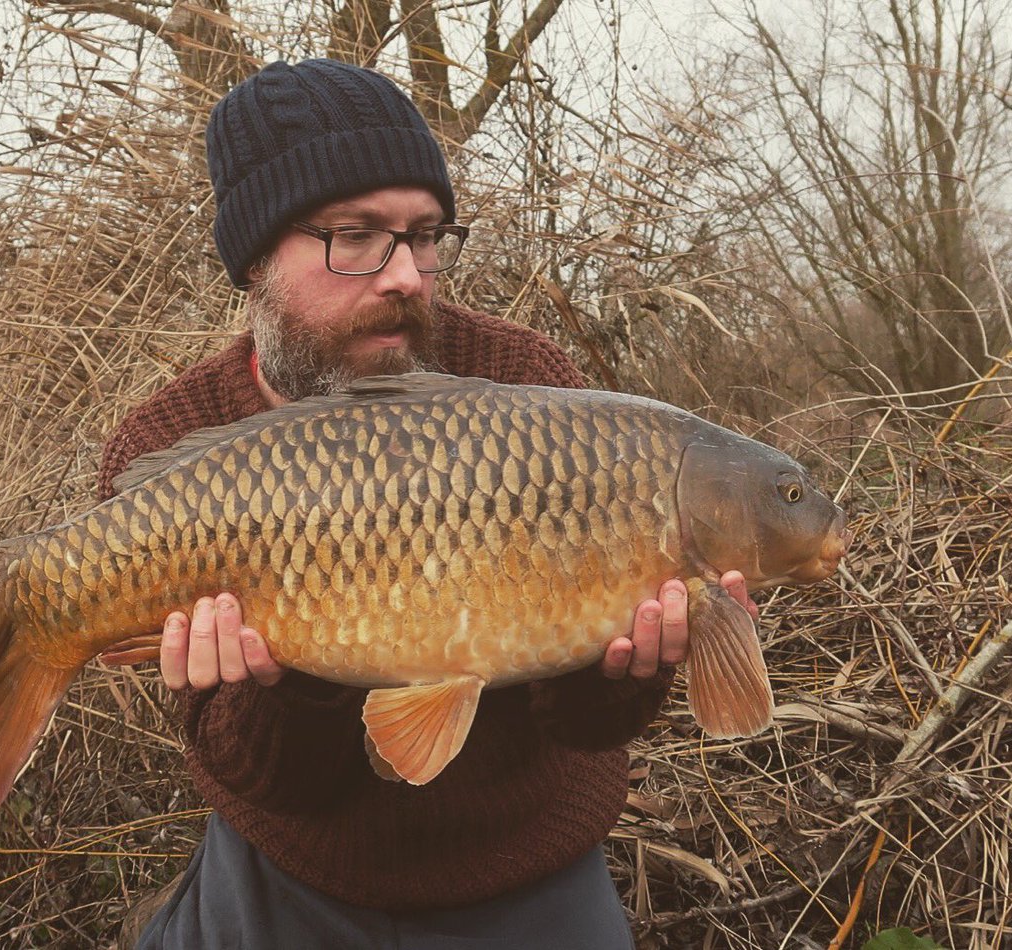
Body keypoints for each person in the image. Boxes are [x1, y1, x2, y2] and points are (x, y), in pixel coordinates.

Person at [99, 58, 756, 950]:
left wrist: (629, 668)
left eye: (425, 236)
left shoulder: (527, 385)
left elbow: (591, 730)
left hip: (524, 856)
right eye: (359, 236)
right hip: (294, 861)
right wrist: (286, 678)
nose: (407, 274)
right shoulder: (172, 449)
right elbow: (265, 780)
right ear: (256, 261)